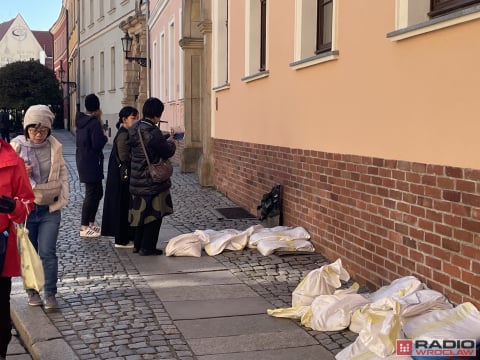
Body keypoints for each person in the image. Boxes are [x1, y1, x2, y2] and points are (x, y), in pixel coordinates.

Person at [10, 105, 69, 310]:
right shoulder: (16, 147)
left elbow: (62, 172)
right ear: (26, 129)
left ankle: (50, 293)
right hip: (26, 209)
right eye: (33, 130)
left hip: (49, 208)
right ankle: (32, 291)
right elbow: (7, 178)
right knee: (29, 252)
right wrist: (20, 172)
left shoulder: (54, 146)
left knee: (47, 252)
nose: (38, 134)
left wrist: (63, 197)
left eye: (43, 130)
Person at [0, 139, 35, 359]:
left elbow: (27, 203)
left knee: (1, 306)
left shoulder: (13, 162)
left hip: (0, 247)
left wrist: (14, 207)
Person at [128, 98, 176, 256]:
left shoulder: (135, 127)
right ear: (156, 115)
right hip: (151, 179)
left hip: (137, 176)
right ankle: (148, 247)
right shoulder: (153, 132)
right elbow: (166, 152)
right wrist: (171, 142)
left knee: (140, 214)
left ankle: (138, 244)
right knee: (154, 214)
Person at [101, 106, 139, 248]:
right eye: (133, 118)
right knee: (121, 208)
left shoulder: (126, 132)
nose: (135, 121)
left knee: (124, 207)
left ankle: (125, 237)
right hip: (120, 178)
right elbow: (124, 157)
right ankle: (121, 240)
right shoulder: (123, 135)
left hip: (121, 177)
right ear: (124, 120)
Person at [75, 94, 108, 238]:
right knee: (91, 193)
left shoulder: (82, 120)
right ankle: (84, 226)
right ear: (97, 107)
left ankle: (91, 223)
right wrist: (105, 136)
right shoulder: (93, 122)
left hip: (85, 160)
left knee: (98, 192)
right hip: (91, 161)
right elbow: (96, 144)